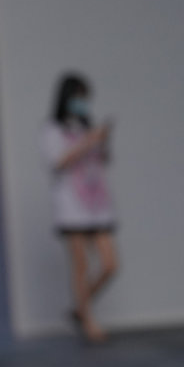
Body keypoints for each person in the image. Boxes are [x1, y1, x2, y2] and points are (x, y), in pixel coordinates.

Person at [43, 73, 117, 343]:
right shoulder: (53, 130)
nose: (82, 102)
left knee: (110, 264)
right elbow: (57, 162)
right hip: (72, 207)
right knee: (81, 265)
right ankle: (88, 320)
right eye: (77, 97)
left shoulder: (87, 127)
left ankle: (79, 308)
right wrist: (87, 143)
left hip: (97, 204)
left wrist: (101, 141)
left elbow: (102, 161)